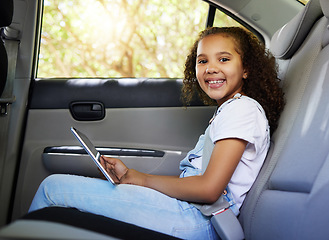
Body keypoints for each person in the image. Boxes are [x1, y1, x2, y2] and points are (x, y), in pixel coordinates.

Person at [29, 27, 285, 239]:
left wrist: (140, 180)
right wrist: (130, 176)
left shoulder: (241, 111)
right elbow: (198, 179)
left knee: (53, 189)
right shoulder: (231, 110)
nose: (210, 68)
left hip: (199, 221)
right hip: (193, 212)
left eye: (224, 59)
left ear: (247, 68)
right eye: (202, 60)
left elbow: (208, 189)